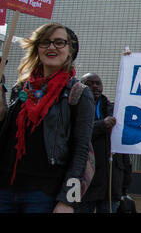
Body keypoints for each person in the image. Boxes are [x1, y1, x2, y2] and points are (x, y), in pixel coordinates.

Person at [0, 23, 94, 213]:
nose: (51, 47)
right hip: (4, 191)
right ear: (37, 49)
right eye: (45, 42)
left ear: (69, 51)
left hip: (44, 196)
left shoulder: (78, 94)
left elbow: (81, 151)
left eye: (59, 42)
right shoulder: (21, 89)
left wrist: (69, 200)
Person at [75, 73, 132, 213]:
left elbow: (123, 149)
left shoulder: (115, 110)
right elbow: (75, 134)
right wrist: (102, 125)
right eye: (89, 83)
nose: (94, 86)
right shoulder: (75, 108)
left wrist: (124, 186)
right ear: (81, 86)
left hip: (111, 187)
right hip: (85, 185)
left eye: (98, 83)